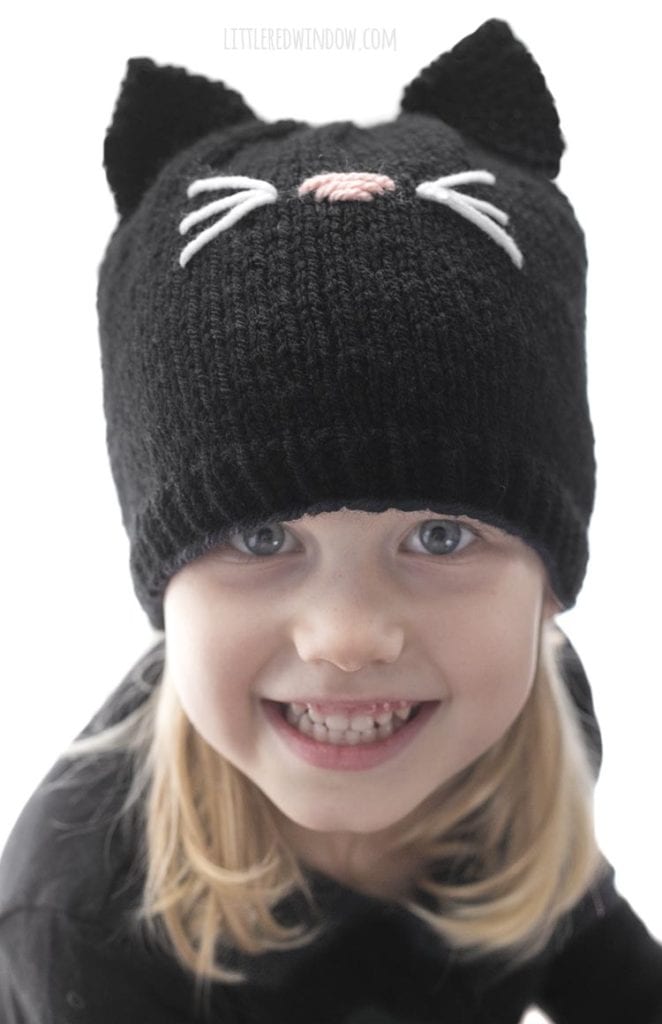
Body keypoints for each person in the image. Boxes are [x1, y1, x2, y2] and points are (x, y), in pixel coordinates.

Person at [1, 17, 661, 1024]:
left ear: (546, 587)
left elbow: (574, 926)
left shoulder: (542, 721)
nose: (347, 637)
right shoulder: (84, 916)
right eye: (261, 537)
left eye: (440, 534)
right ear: (161, 586)